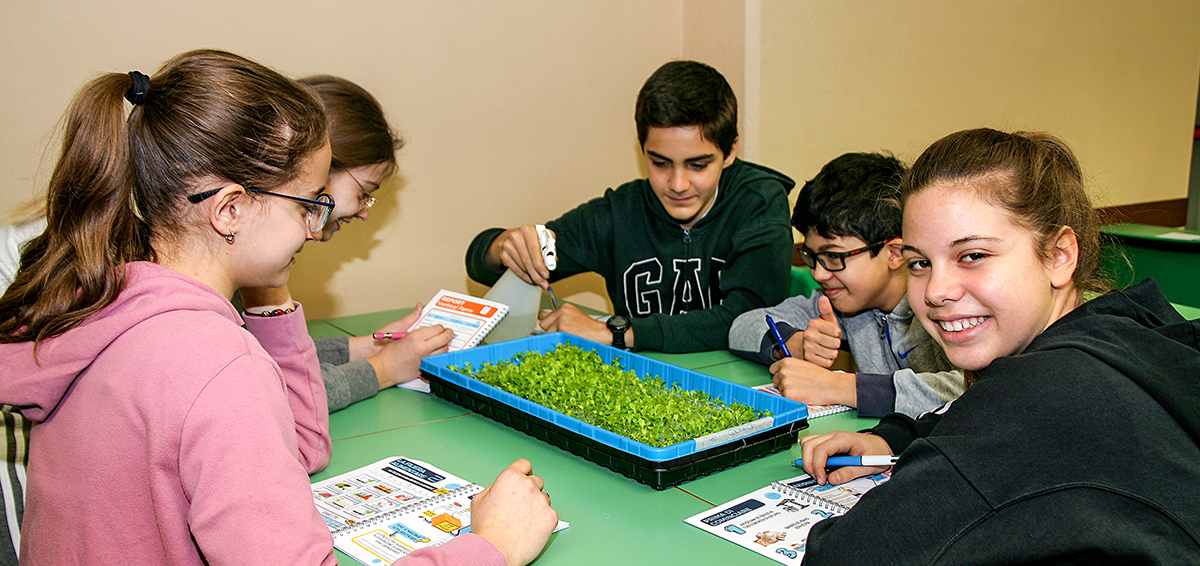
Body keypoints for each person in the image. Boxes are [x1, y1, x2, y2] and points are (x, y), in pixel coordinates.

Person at [0, 49, 557, 566]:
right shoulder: (215, 366)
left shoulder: (102, 300)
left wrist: (265, 287)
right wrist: (491, 549)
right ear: (231, 210)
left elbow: (299, 450)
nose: (318, 228)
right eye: (308, 206)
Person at [795, 128, 1200, 566]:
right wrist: (898, 437)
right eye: (921, 263)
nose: (938, 290)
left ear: (1058, 255)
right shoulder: (1125, 328)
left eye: (972, 255)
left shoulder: (1043, 392)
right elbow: (983, 424)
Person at [464, 60, 795, 353]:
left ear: (731, 152)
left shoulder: (759, 204)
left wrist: (617, 332)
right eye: (660, 163)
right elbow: (479, 262)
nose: (678, 184)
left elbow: (750, 318)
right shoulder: (621, 212)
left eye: (698, 165)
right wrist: (504, 246)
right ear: (643, 150)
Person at [239, 75, 454, 412]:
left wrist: (367, 347)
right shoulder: (248, 268)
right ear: (319, 166)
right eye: (363, 193)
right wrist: (384, 369)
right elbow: (282, 398)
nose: (364, 213)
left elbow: (266, 354)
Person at [728, 152, 963, 417]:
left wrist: (841, 387)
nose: (818, 273)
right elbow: (743, 326)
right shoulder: (841, 305)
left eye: (833, 257)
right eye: (812, 256)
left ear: (895, 253)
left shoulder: (943, 307)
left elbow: (970, 391)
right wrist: (795, 342)